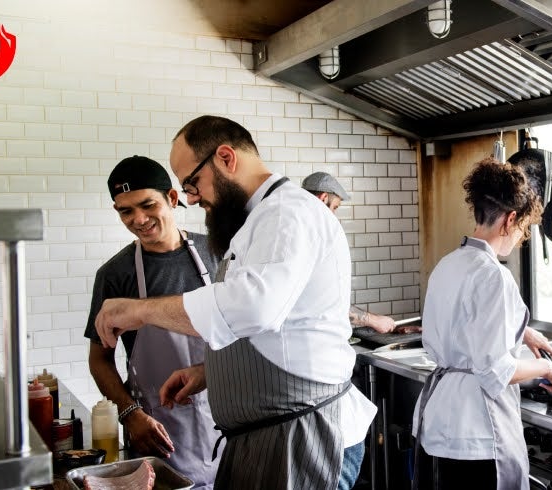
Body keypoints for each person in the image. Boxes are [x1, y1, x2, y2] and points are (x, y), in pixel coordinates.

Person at [93, 116, 375, 490]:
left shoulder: (287, 213)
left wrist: (140, 309)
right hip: (272, 435)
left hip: (303, 436)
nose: (192, 198)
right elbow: (278, 328)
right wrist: (210, 371)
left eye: (192, 183)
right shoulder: (257, 222)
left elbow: (252, 308)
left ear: (225, 158)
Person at [412, 158, 552, 490]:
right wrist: (547, 370)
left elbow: (466, 321)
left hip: (439, 420)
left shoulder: (449, 264)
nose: (521, 237)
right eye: (524, 228)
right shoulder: (495, 277)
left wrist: (523, 331)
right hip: (477, 430)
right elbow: (496, 370)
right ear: (511, 219)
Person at [84, 155, 219, 488]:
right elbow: (100, 360)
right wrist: (131, 415)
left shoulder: (216, 252)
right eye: (125, 211)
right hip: (159, 431)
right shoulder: (115, 274)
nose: (139, 219)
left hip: (226, 418)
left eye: (147, 205)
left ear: (172, 198)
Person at [301, 171, 402, 335]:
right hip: (313, 342)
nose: (334, 216)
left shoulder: (300, 232)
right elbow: (326, 302)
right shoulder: (312, 239)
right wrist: (373, 320)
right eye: (334, 208)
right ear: (323, 198)